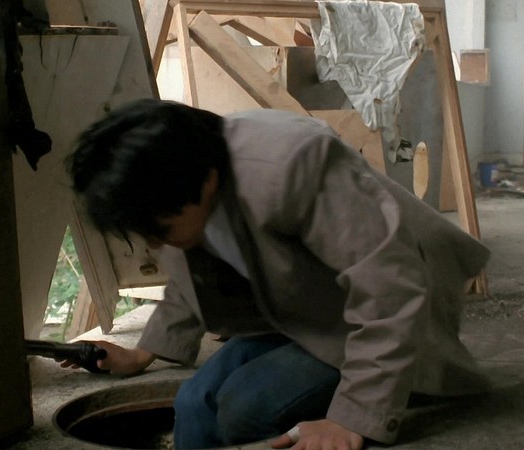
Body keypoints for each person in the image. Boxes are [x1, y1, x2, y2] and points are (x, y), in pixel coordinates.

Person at [65, 98, 491, 449]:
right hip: (304, 306)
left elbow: (391, 287)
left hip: (379, 308)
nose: (155, 244)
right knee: (193, 401)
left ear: (207, 183)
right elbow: (190, 275)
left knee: (245, 410)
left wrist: (353, 417)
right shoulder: (183, 174)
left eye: (158, 231)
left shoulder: (290, 166)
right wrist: (143, 353)